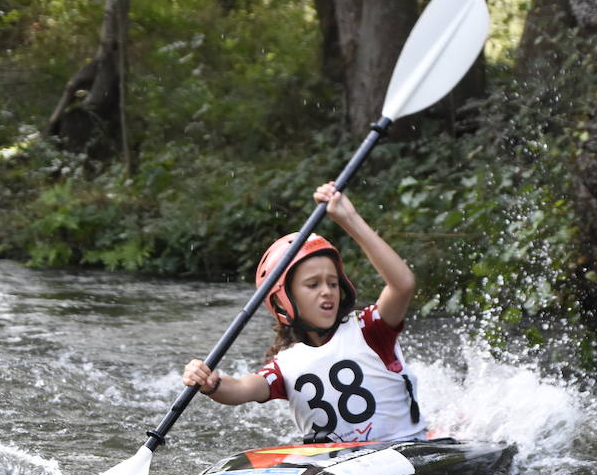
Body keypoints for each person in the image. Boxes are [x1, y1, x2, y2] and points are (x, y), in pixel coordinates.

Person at [182, 181, 427, 443]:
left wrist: (350, 219)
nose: (327, 291)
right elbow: (242, 389)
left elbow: (402, 285)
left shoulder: (370, 329)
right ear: (281, 302)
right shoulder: (286, 364)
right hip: (339, 468)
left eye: (332, 283)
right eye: (313, 285)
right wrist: (212, 384)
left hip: (407, 447)